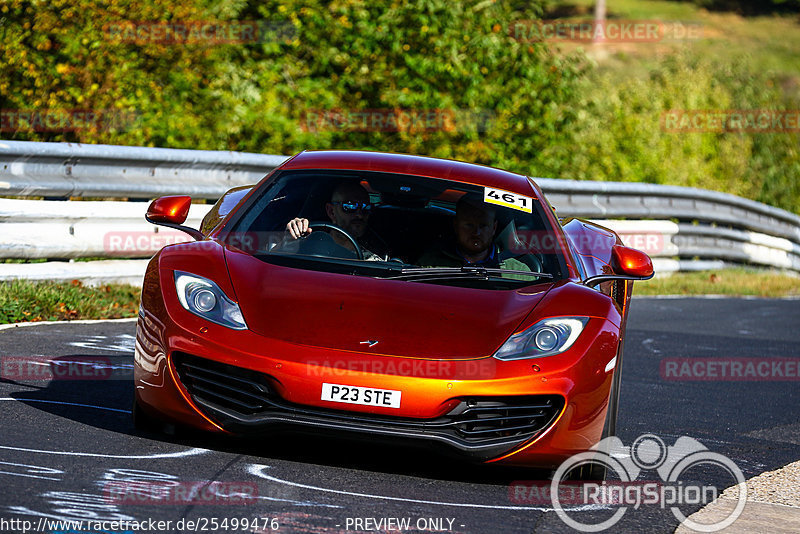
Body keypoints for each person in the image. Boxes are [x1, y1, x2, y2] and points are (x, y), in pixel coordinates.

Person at [417, 193, 531, 272]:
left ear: (494, 228)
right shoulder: (430, 264)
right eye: (469, 225)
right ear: (456, 226)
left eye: (483, 226)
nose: (476, 232)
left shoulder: (519, 272)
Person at [285, 180, 390, 260]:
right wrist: (289, 238)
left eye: (365, 208)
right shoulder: (307, 242)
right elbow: (276, 263)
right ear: (331, 211)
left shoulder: (371, 261)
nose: (359, 215)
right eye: (350, 206)